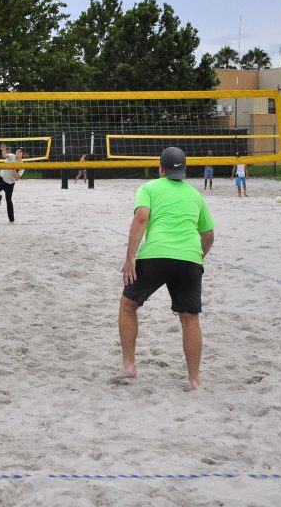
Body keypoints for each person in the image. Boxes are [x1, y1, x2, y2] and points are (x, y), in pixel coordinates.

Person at [119, 147, 214, 391]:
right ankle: (194, 380)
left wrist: (130, 258)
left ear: (160, 168)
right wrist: (198, 257)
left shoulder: (149, 188)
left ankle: (129, 365)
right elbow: (209, 235)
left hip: (156, 254)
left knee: (129, 304)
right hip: (190, 258)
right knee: (190, 318)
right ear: (184, 169)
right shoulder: (195, 195)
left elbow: (141, 218)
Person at [0, 147, 23, 223]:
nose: (18, 153)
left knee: (9, 201)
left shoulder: (22, 165)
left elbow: (17, 178)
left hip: (10, 184)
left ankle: (11, 220)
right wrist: (3, 149)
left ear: (22, 154)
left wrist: (14, 169)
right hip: (1, 179)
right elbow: (5, 155)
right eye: (17, 151)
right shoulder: (12, 156)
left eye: (20, 152)